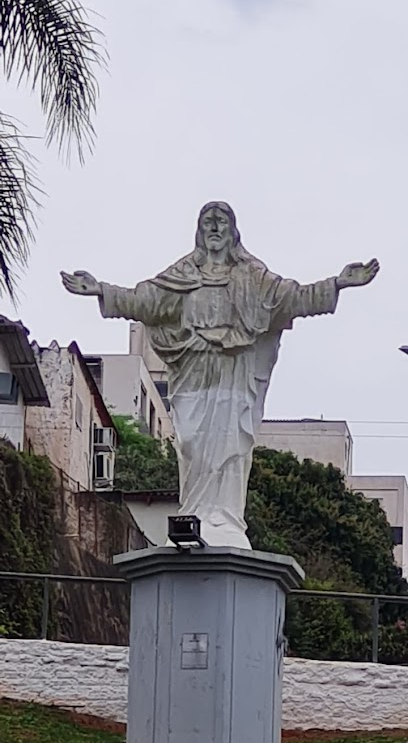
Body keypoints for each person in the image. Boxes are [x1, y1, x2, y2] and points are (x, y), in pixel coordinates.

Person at [61, 201, 379, 548]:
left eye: (221, 222)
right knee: (192, 444)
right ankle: (195, 511)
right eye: (208, 222)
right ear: (199, 231)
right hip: (194, 372)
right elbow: (145, 300)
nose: (214, 228)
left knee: (232, 442)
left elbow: (293, 298)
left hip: (233, 374)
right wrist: (101, 290)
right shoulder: (182, 275)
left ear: (232, 231)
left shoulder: (251, 277)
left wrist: (337, 283)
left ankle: (225, 519)